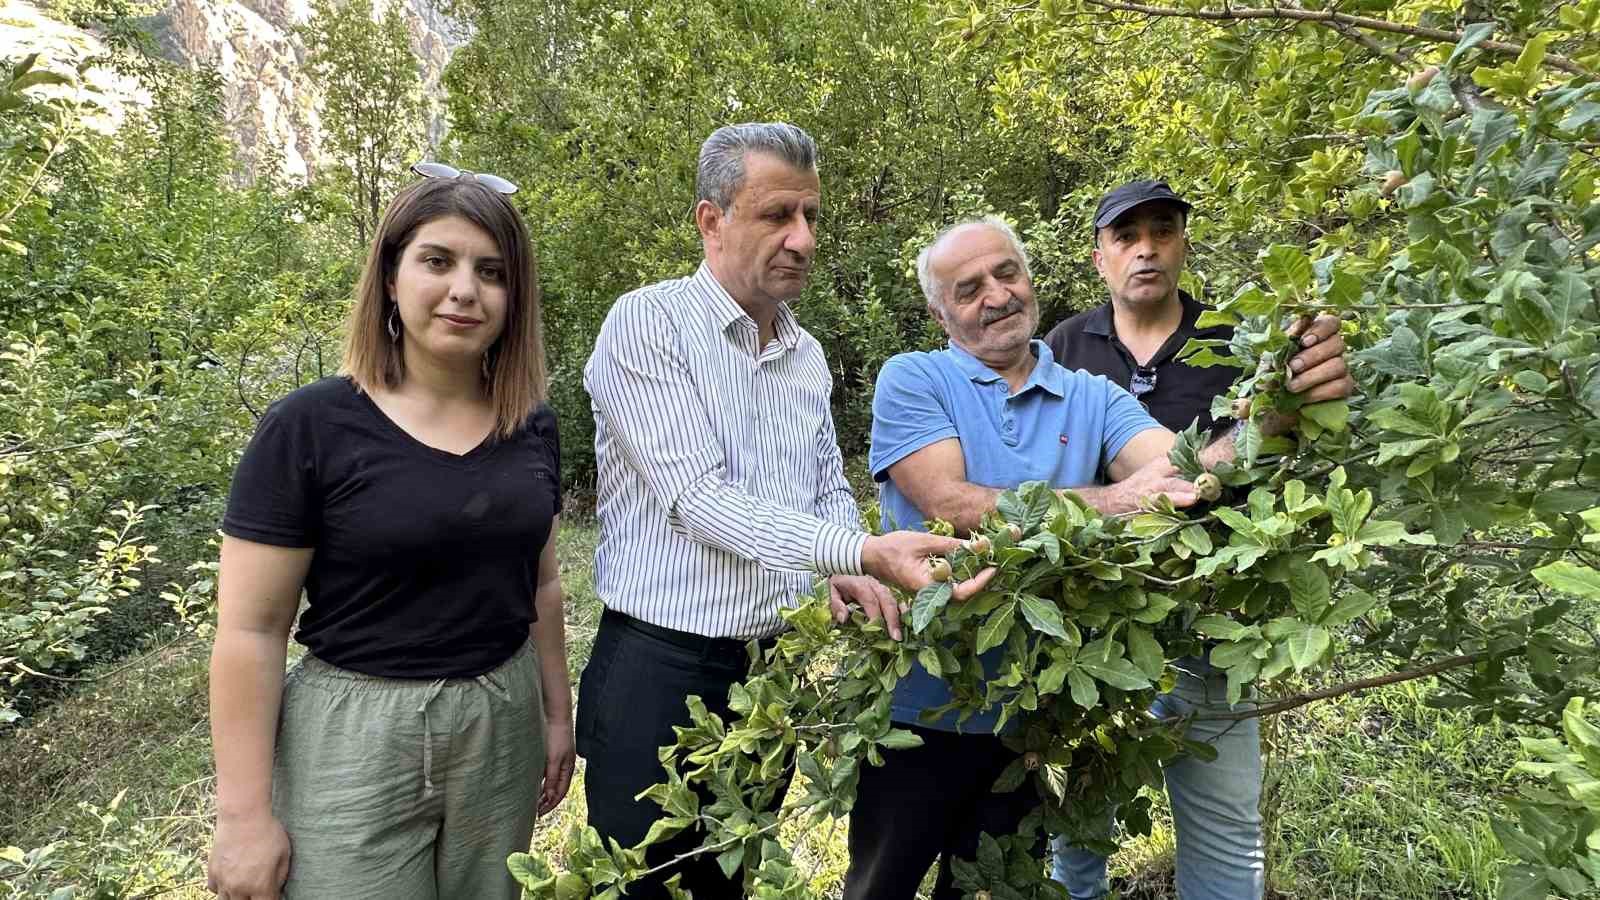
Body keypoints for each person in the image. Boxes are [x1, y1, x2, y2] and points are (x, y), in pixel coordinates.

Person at [842, 215, 1350, 900]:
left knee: (996, 890)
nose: (996, 295)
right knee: (882, 884)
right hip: (921, 704)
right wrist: (1113, 501)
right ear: (940, 312)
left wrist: (1275, 413)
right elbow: (949, 500)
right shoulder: (915, 378)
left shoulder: (1093, 396)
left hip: (1036, 711)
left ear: (1031, 279)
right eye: (968, 289)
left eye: (1006, 273)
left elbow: (1180, 473)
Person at [578, 122, 992, 898]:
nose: (802, 238)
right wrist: (860, 554)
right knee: (643, 886)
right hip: (658, 671)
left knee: (726, 884)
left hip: (770, 674)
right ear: (711, 221)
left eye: (811, 216)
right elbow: (700, 501)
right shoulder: (646, 324)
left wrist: (848, 572)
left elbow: (823, 483)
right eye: (778, 215)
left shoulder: (804, 354)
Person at [206, 164, 574, 900]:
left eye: (492, 271)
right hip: (353, 734)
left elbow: (542, 582)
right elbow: (251, 628)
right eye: (437, 261)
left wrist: (556, 716)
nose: (465, 290)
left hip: (501, 724)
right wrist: (243, 817)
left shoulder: (530, 425)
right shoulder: (310, 426)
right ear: (391, 277)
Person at [1042, 180, 1350, 900]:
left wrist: (1315, 377)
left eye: (1162, 230)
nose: (1145, 247)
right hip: (1089, 628)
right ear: (1099, 257)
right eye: (1126, 235)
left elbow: (1294, 442)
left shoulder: (1237, 345)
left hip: (1211, 619)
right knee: (1075, 826)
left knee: (1222, 833)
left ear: (1183, 243)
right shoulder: (1062, 346)